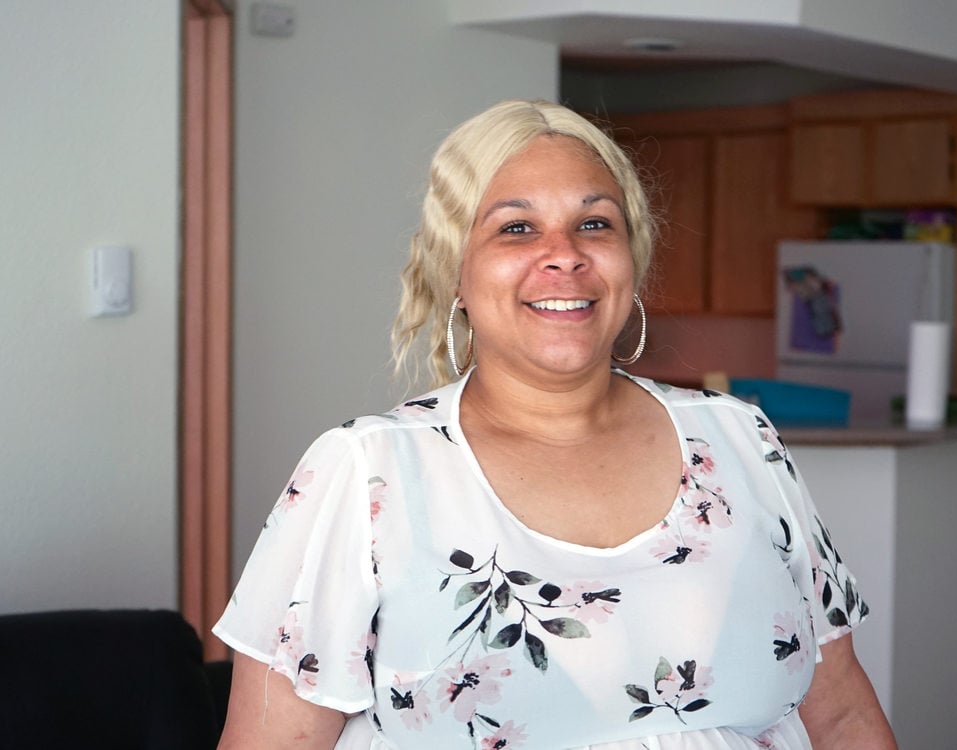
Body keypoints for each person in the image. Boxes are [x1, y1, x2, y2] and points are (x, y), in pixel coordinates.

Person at [214, 99, 897, 750]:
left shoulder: (741, 441)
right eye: (516, 227)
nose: (563, 253)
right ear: (455, 270)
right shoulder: (367, 471)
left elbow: (840, 716)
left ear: (633, 257)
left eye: (594, 223)